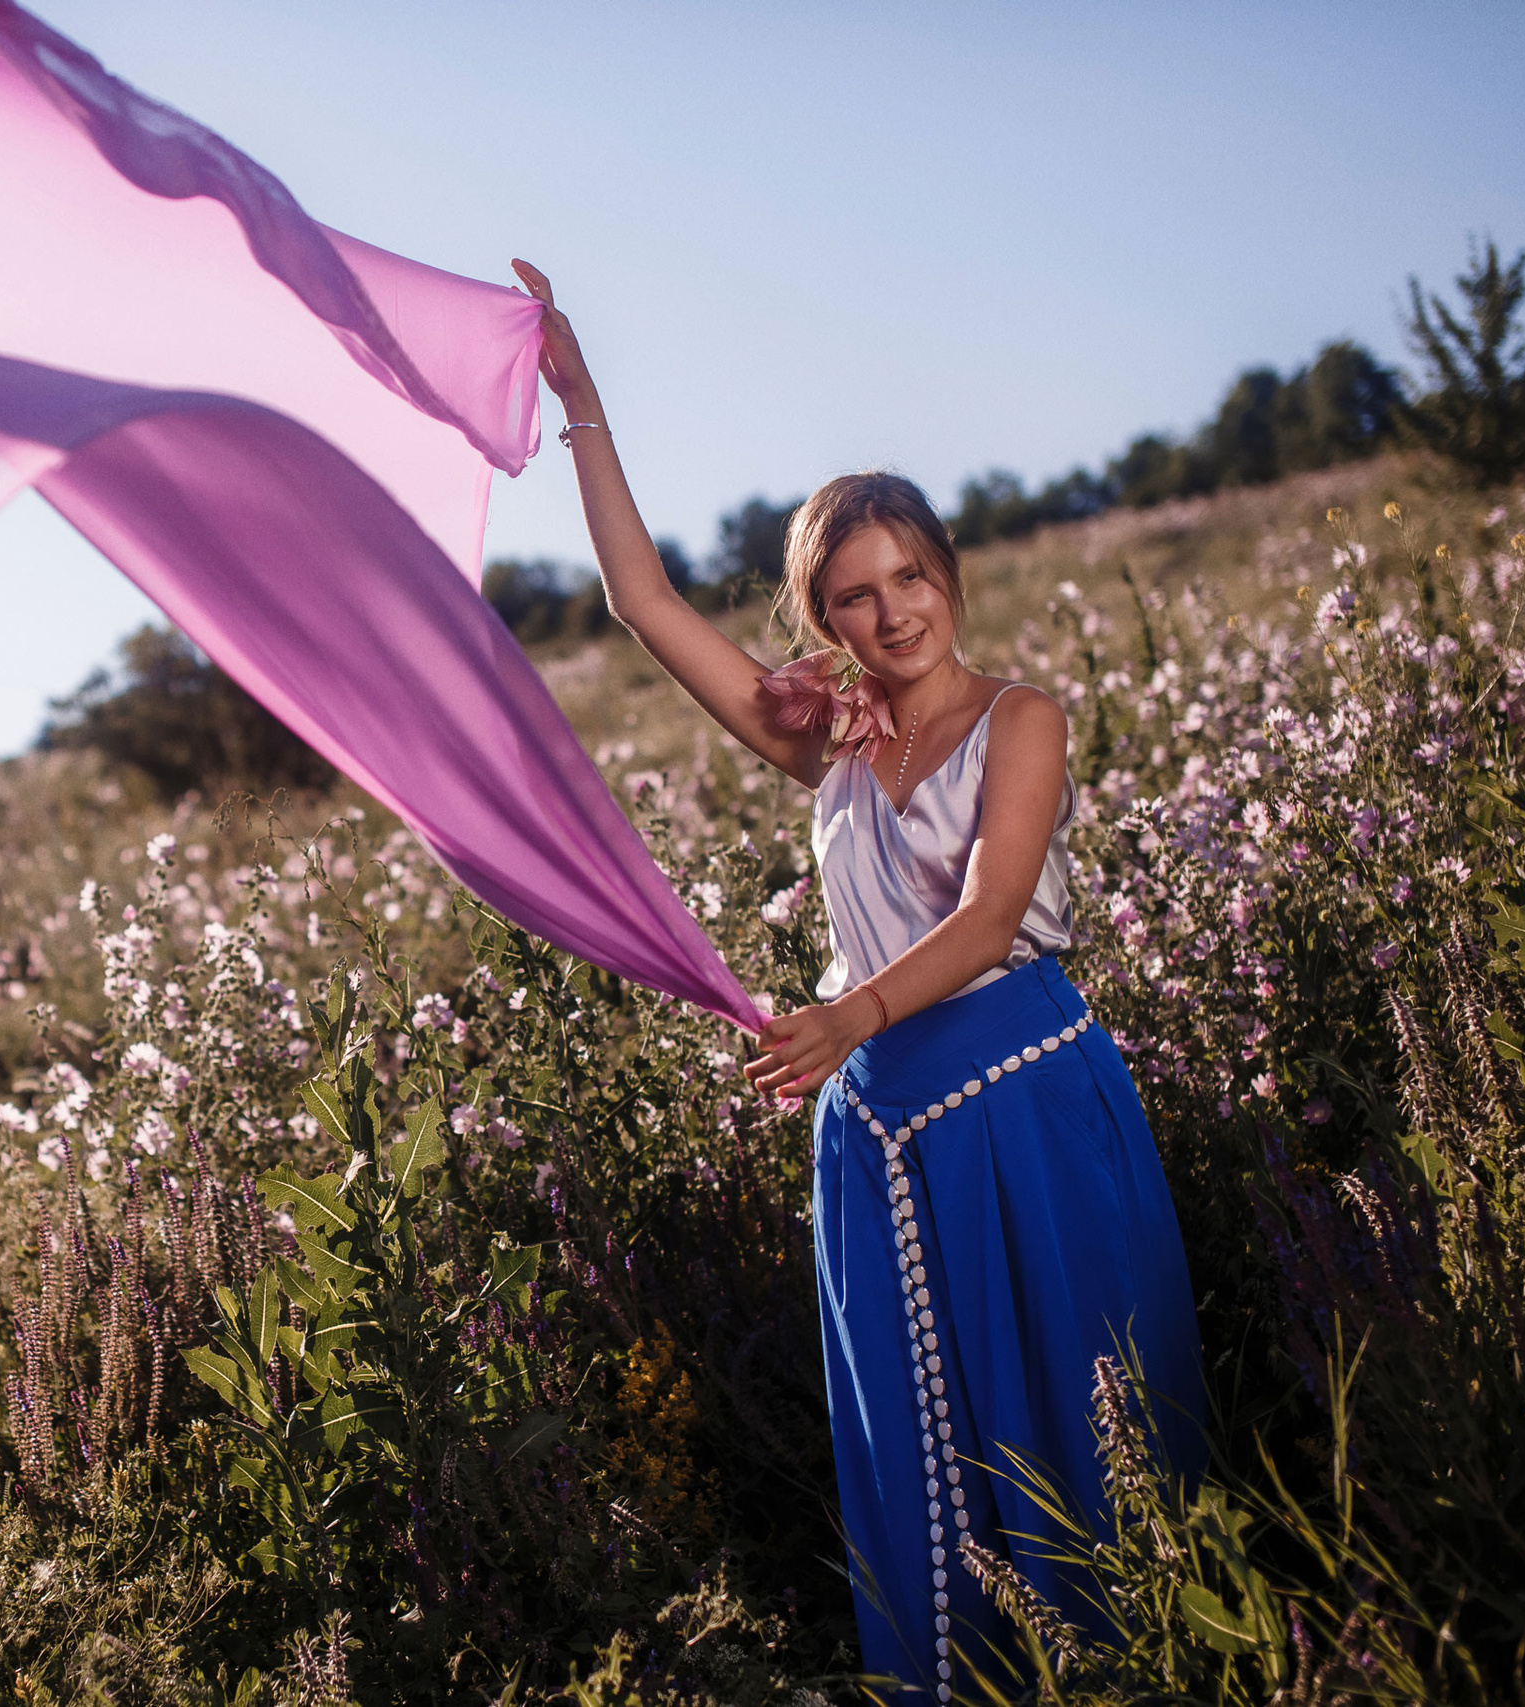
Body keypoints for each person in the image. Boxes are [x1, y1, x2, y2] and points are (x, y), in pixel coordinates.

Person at [509, 260, 1204, 1699]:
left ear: (947, 572)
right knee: (933, 1446)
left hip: (1019, 1092)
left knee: (1079, 1415)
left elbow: (996, 905)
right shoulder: (822, 744)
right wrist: (583, 404)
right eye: (855, 598)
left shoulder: (1024, 718)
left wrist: (850, 1016)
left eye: (910, 579)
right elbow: (643, 605)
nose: (894, 617)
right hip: (882, 1132)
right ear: (824, 620)